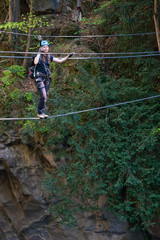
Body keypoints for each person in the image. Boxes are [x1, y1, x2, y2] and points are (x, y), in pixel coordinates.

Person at [33, 40, 73, 119]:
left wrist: (68, 56)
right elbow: (35, 62)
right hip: (40, 78)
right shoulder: (37, 56)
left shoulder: (49, 56)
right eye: (44, 47)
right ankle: (39, 112)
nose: (46, 48)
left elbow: (60, 60)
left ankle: (42, 113)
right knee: (43, 95)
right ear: (41, 48)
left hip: (47, 78)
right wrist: (39, 53)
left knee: (45, 96)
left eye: (47, 47)